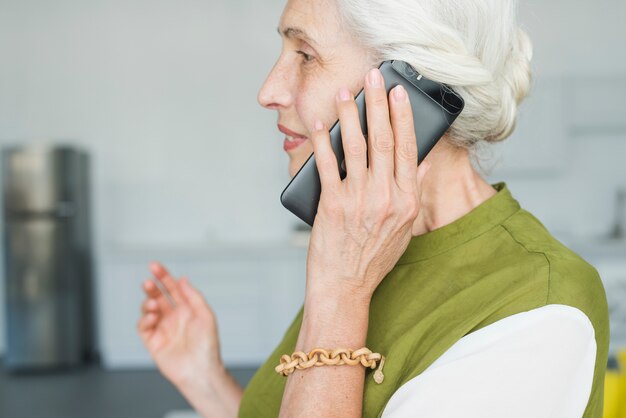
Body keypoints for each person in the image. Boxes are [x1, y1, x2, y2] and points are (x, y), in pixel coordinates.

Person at [137, 0, 610, 416]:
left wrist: (340, 291)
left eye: (305, 55)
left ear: (409, 84)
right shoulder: (368, 243)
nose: (269, 90)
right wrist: (205, 379)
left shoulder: (542, 311)